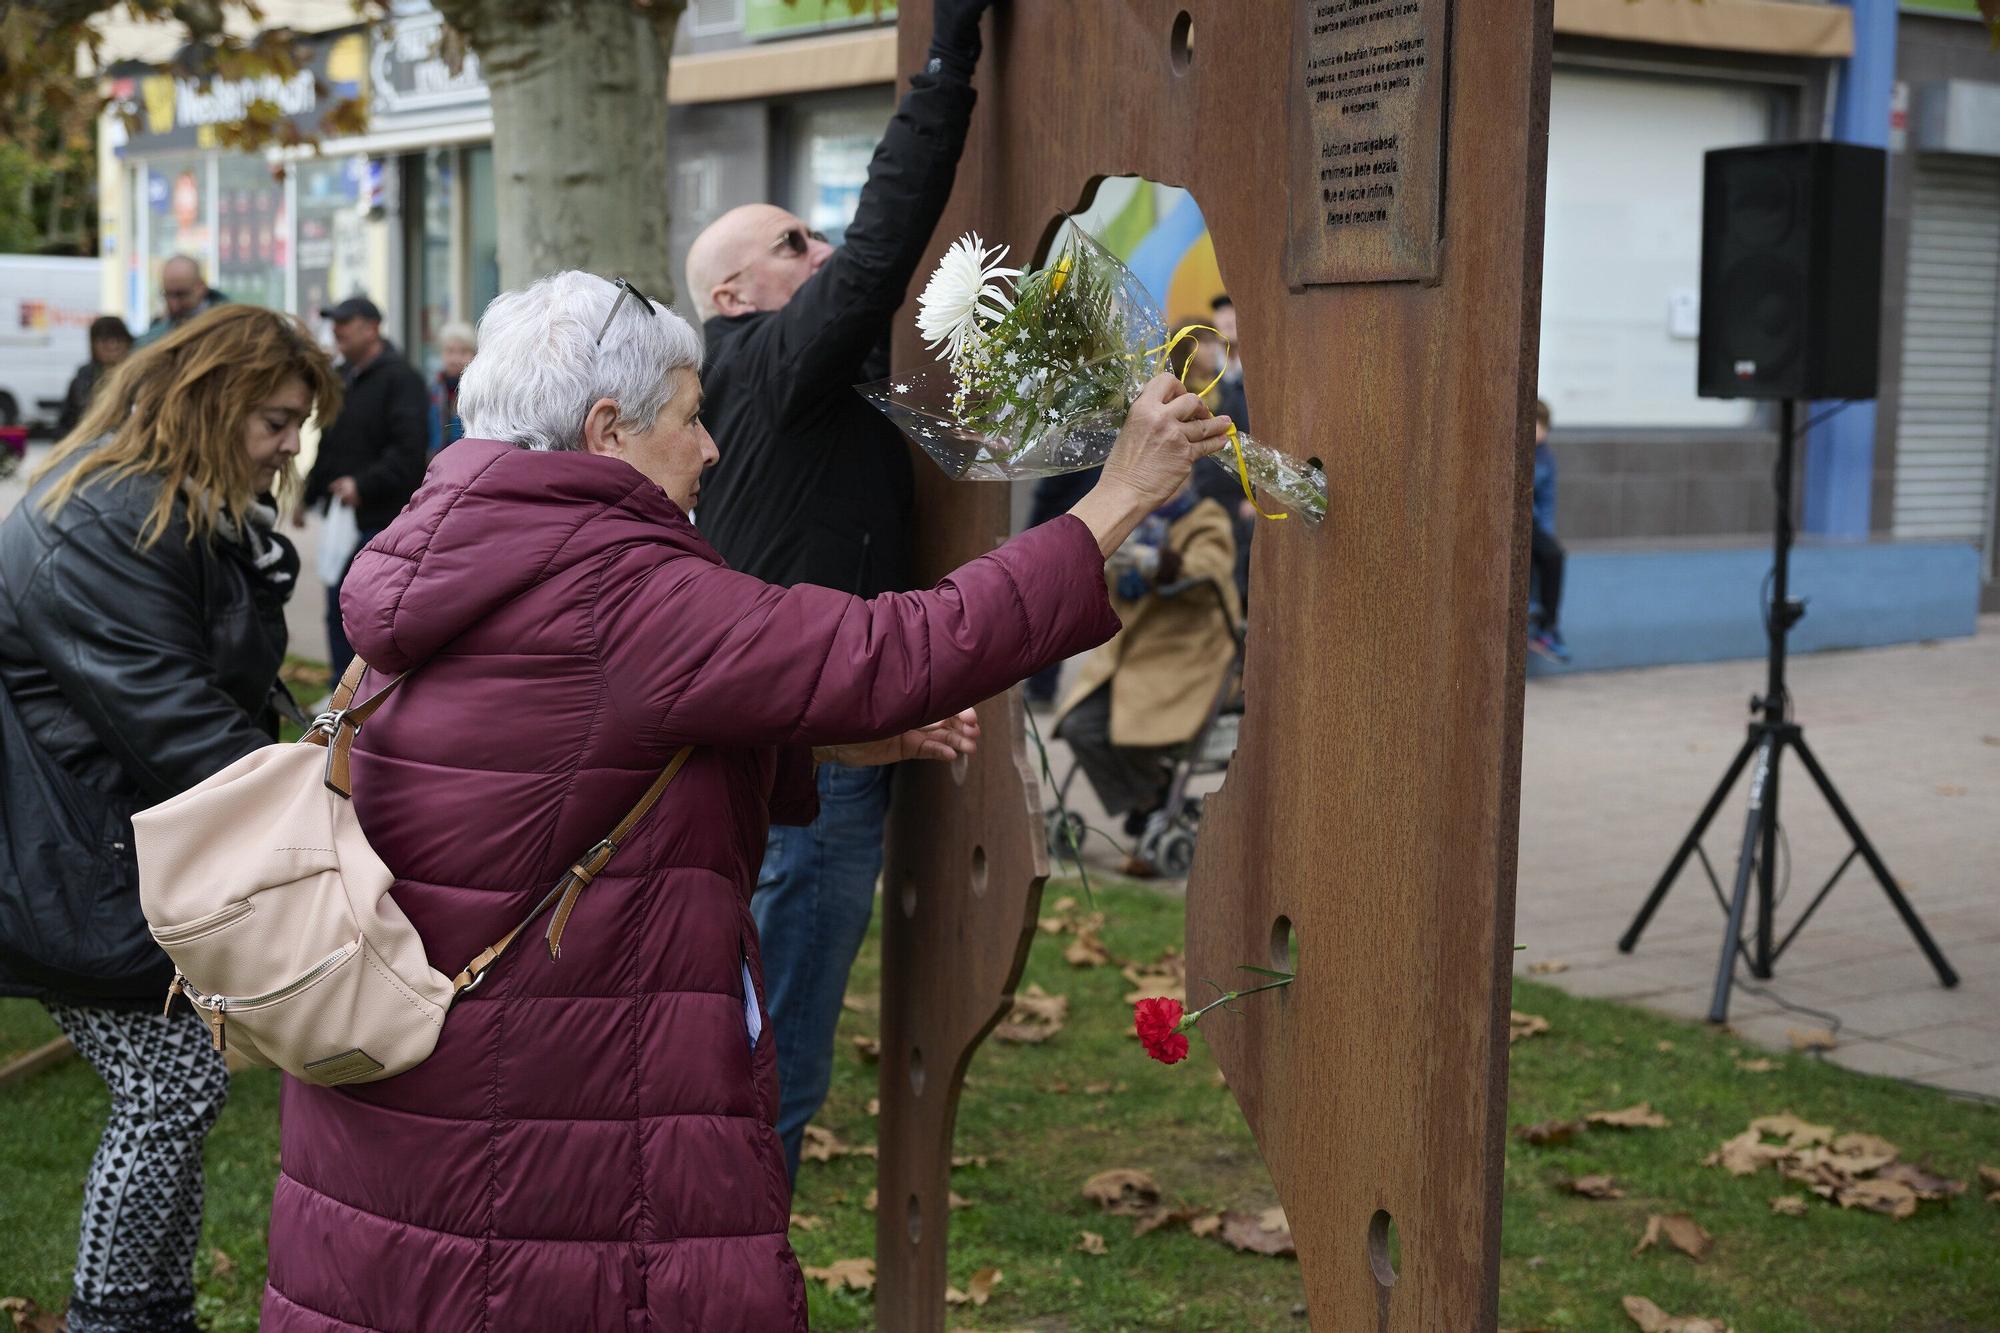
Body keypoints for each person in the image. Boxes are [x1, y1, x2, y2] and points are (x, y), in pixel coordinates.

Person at [256, 270, 1230, 1332]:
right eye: (689, 416)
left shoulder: (446, 546)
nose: (712, 446)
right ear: (605, 429)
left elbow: (576, 750)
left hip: (412, 1113)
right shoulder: (619, 583)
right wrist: (1120, 491)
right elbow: (896, 647)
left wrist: (820, 730)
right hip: (551, 1129)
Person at [682, 0, 1001, 1182]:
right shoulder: (767, 366)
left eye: (807, 240)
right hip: (810, 778)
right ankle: (730, 1270)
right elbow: (877, 252)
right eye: (791, 246)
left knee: (764, 1052)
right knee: (777, 1070)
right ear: (735, 298)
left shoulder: (779, 385)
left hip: (814, 752)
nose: (817, 258)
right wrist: (947, 61)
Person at [0, 305, 338, 1333]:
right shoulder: (103, 518)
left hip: (120, 849)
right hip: (72, 857)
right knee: (172, 1092)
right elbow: (174, 720)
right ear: (210, 401)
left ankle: (156, 1311)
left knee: (178, 1093)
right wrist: (322, 801)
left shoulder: (169, 506)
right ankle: (112, 1315)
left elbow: (211, 692)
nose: (290, 445)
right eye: (276, 420)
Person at [1053, 481, 1240, 876]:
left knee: (1137, 730)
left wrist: (1159, 563)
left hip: (1184, 658)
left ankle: (1151, 807)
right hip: (1130, 654)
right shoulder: (1133, 520)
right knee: (1077, 726)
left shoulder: (1205, 517)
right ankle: (1151, 801)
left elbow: (1210, 571)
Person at [300, 296, 428, 679]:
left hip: (383, 519)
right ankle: (341, 692)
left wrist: (364, 485)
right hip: (343, 516)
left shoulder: (401, 378)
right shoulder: (343, 378)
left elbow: (408, 450)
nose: (337, 328)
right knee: (337, 603)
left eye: (346, 321)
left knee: (367, 609)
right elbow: (330, 441)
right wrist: (307, 492)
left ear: (371, 327)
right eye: (333, 320)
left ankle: (365, 695)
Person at [1528, 397, 1569, 663]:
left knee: (1553, 554)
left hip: (1533, 524)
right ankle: (1534, 615)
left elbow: (1547, 499)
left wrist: (1546, 533)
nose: (1540, 432)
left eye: (1543, 427)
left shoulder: (1545, 458)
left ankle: (1547, 627)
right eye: (1536, 425)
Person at [54, 316, 134, 439]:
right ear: (93, 345)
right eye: (104, 341)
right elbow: (64, 425)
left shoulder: (140, 378)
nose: (112, 346)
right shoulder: (81, 380)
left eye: (119, 340)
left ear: (128, 344)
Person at [135, 256, 226, 347]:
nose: (174, 304)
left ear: (201, 287)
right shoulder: (153, 335)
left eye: (181, 294)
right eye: (168, 294)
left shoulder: (229, 327)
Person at [427, 320, 476, 453]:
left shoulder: (478, 392)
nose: (455, 358)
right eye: (450, 351)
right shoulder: (433, 390)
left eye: (463, 351)